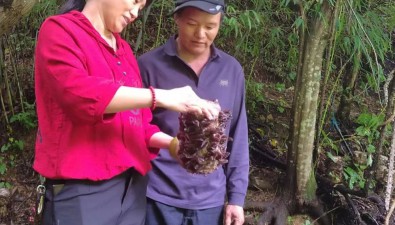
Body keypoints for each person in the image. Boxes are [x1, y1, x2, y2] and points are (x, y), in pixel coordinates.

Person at [33, 0, 219, 224]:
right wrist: (161, 96)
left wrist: (173, 145)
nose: (135, 13)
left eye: (141, 7)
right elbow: (77, 94)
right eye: (134, 1)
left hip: (133, 189)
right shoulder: (60, 30)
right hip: (83, 190)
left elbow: (137, 123)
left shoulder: (124, 51)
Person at [138, 0, 249, 224]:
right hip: (157, 195)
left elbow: (237, 137)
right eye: (191, 23)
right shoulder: (148, 65)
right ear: (177, 19)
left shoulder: (231, 70)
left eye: (210, 26)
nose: (200, 34)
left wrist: (236, 198)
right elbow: (135, 129)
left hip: (210, 201)